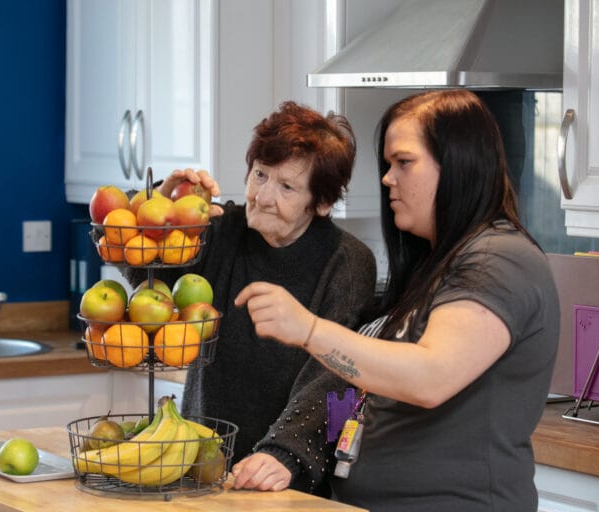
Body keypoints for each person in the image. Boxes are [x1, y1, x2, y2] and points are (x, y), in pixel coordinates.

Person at [235, 89, 560, 511]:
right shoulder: (435, 264)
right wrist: (291, 453)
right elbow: (362, 390)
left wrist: (310, 330)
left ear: (459, 163)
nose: (388, 178)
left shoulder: (500, 259)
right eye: (388, 165)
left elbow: (429, 377)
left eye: (404, 162)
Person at [126, 101, 376, 495]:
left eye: (287, 187)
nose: (262, 197)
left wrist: (284, 454)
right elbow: (147, 277)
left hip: (284, 479)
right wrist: (161, 210)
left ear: (322, 202)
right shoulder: (222, 229)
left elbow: (336, 377)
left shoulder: (348, 262)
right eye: (260, 174)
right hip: (201, 464)